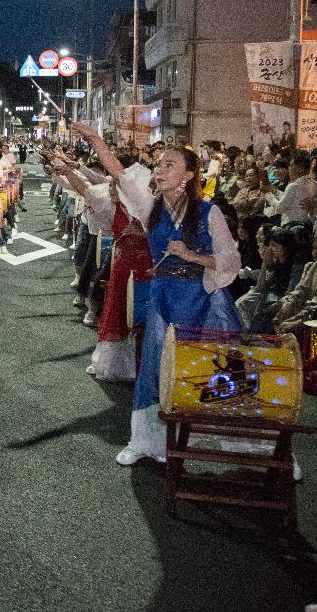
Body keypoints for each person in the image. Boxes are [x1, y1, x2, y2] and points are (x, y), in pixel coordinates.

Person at [72, 122, 243, 466]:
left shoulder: (210, 212)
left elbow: (231, 260)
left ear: (190, 175)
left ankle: (236, 437)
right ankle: (146, 439)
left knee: (215, 366)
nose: (159, 169)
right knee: (153, 366)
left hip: (203, 301)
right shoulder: (150, 207)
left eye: (169, 165)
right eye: (159, 164)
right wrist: (95, 139)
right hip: (164, 298)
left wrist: (192, 256)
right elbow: (119, 173)